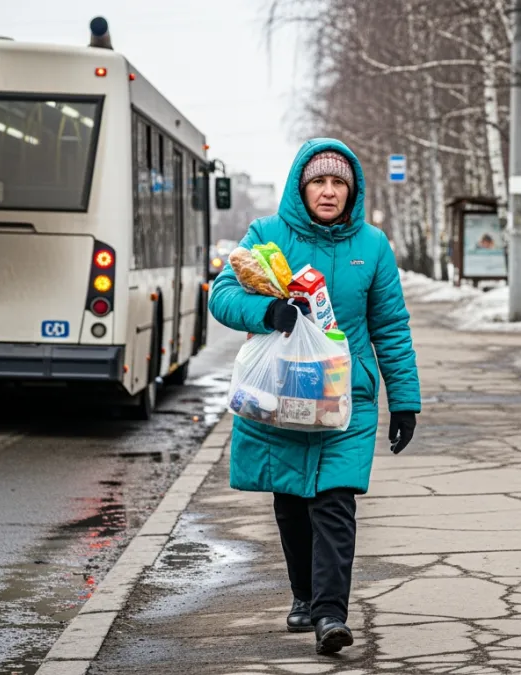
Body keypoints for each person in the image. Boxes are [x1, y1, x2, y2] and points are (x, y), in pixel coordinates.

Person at [209, 139, 420, 655]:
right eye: (319, 182)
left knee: (334, 501)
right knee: (290, 502)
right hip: (281, 390)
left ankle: (330, 615)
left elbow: (391, 326)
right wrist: (267, 313)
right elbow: (223, 294)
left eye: (338, 183)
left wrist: (405, 400)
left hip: (347, 395)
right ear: (300, 188)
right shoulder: (267, 235)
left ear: (353, 191)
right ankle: (304, 595)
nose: (328, 191)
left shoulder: (372, 246)